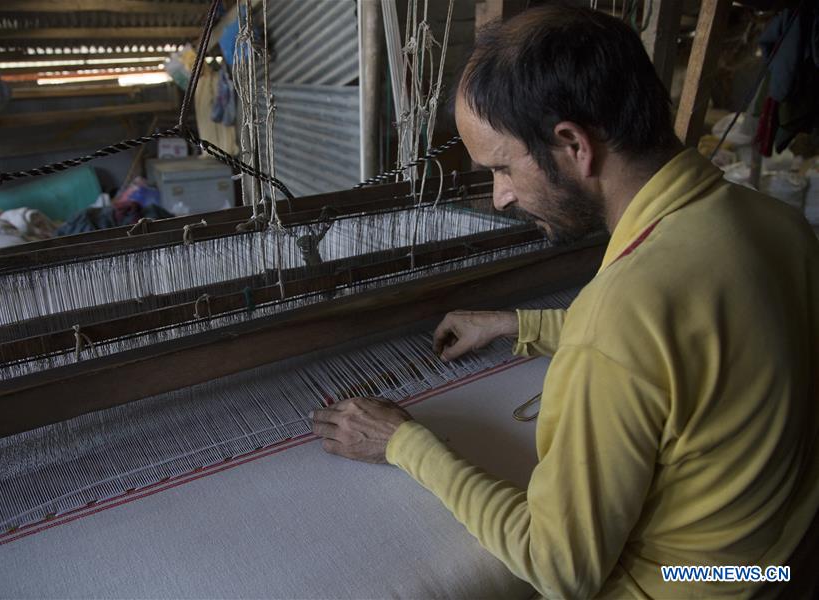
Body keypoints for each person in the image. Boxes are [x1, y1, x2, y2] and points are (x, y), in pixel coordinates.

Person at [311, 5, 819, 598]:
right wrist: (518, 324)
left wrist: (403, 442)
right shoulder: (778, 226)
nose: (500, 197)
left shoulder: (623, 315)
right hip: (776, 565)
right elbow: (691, 353)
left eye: (502, 167)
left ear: (574, 144)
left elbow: (560, 567)